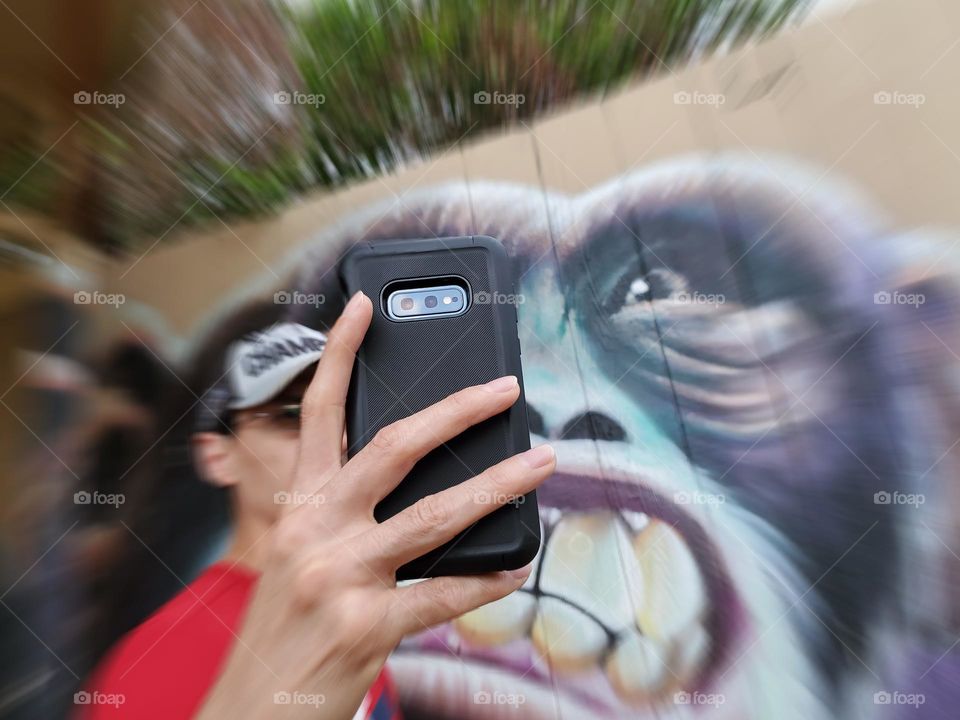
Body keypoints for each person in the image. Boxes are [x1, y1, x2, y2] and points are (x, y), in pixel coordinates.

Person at [78, 291, 554, 719]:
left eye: (349, 410)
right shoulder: (156, 659)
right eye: (291, 417)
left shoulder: (353, 607)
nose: (339, 438)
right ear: (217, 455)